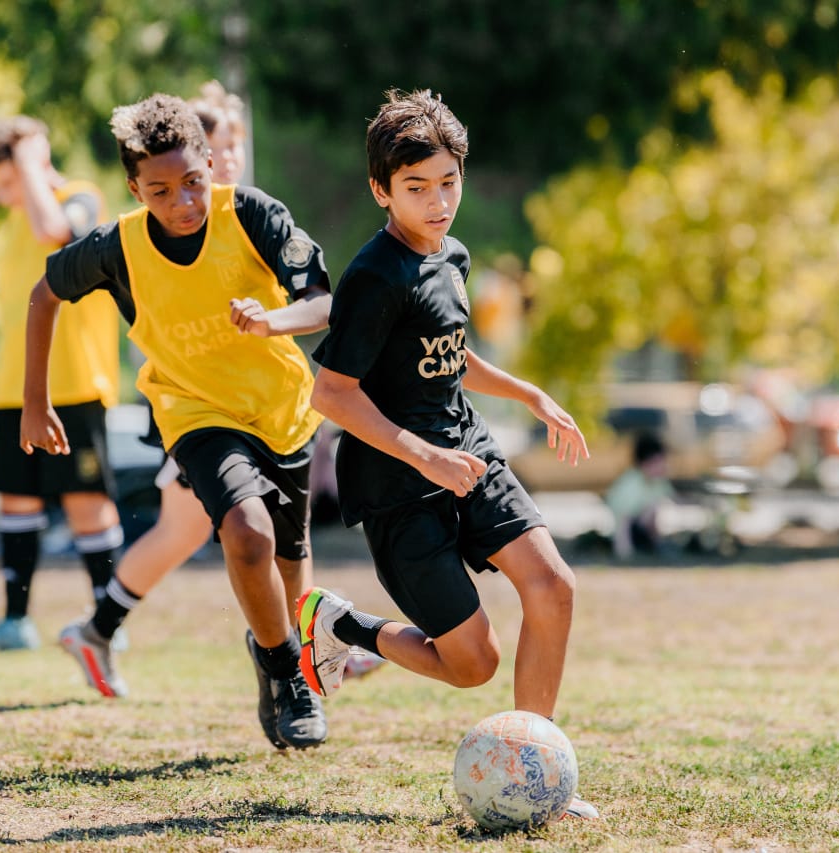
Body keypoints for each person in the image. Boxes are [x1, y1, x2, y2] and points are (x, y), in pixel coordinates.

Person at [298, 89, 599, 819]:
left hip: (470, 453)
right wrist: (423, 457)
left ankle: (540, 775)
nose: (437, 204)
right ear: (381, 190)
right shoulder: (374, 277)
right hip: (398, 485)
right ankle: (342, 625)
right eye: (415, 189)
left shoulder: (452, 254)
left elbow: (448, 356)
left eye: (448, 183)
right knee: (473, 665)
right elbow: (331, 394)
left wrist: (527, 393)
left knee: (553, 588)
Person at [20, 93, 332, 751]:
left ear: (213, 162)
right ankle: (287, 675)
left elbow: (321, 302)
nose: (184, 201)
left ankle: (272, 651)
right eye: (160, 191)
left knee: (289, 576)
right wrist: (34, 398)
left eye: (194, 182)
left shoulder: (253, 214)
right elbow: (44, 294)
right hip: (194, 414)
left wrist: (272, 319)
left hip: (283, 411)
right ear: (134, 188)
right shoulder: (119, 246)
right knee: (243, 532)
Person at [0, 116, 125, 653]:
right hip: (14, 389)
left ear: (34, 162)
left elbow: (56, 232)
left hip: (74, 383)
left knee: (84, 497)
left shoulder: (82, 197)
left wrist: (30, 164)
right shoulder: (13, 222)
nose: (8, 197)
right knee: (18, 501)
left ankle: (108, 624)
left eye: (9, 182)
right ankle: (14, 623)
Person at [605, 431, 675, 561]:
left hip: (641, 527)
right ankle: (629, 550)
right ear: (645, 463)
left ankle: (654, 545)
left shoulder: (658, 482)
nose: (663, 466)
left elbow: (669, 500)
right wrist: (623, 551)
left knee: (655, 507)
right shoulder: (631, 483)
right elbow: (623, 519)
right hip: (623, 531)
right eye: (658, 462)